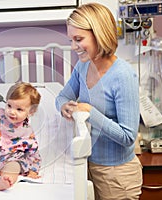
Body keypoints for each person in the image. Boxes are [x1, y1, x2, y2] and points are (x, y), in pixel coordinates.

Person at [55, 3, 142, 200]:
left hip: (117, 175)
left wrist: (90, 112)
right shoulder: (83, 66)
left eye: (79, 39)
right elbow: (62, 96)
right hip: (88, 165)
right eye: (71, 40)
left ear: (99, 34)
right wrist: (64, 106)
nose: (73, 46)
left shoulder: (123, 76)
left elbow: (128, 137)